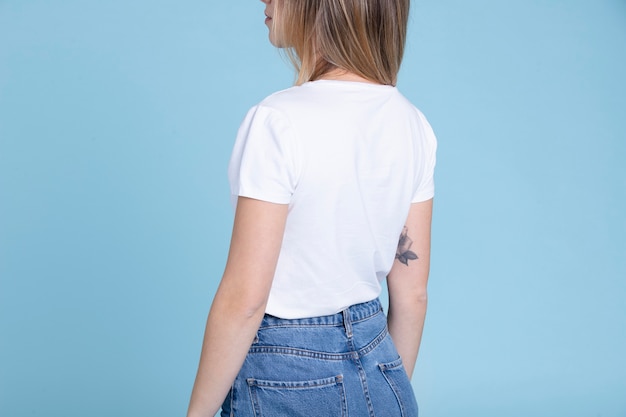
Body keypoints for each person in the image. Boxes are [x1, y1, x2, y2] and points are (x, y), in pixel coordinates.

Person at [187, 0, 436, 415]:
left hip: (285, 371)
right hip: (381, 364)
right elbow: (413, 296)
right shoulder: (412, 123)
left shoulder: (277, 120)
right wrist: (384, 388)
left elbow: (244, 300)